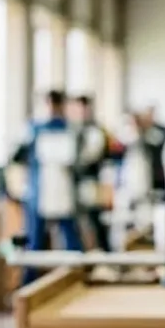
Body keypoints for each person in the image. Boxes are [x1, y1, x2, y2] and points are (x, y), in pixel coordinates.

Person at [15, 89, 82, 284]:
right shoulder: (34, 129)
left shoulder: (70, 130)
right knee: (34, 244)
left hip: (62, 192)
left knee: (70, 240)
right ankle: (27, 287)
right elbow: (19, 156)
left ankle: (77, 279)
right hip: (39, 192)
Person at [73, 95, 113, 251]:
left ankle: (106, 254)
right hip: (75, 184)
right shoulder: (74, 129)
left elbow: (91, 157)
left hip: (91, 183)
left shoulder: (95, 130)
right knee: (78, 226)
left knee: (96, 221)